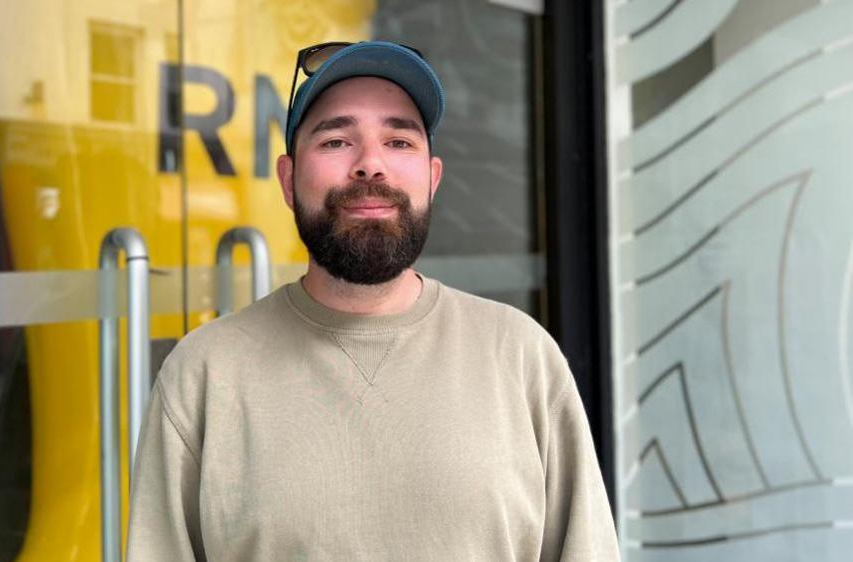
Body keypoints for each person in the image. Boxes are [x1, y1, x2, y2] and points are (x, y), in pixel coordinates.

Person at [127, 41, 620, 561]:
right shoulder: (205, 372)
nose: (371, 166)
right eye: (337, 141)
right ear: (289, 181)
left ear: (432, 179)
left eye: (399, 141)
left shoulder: (520, 357)